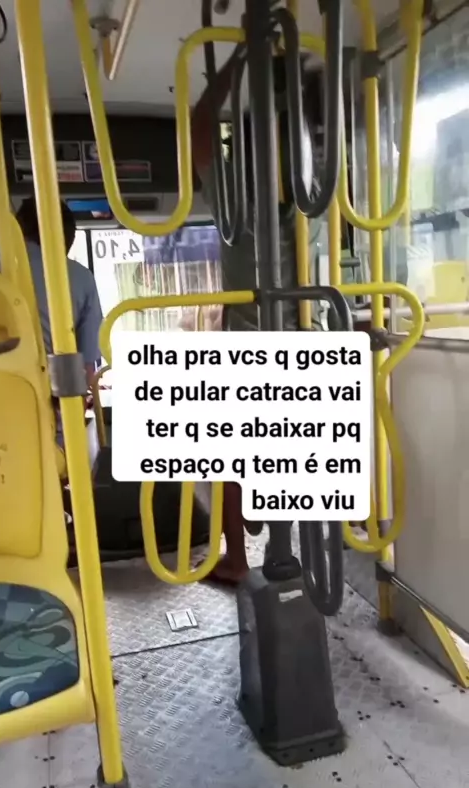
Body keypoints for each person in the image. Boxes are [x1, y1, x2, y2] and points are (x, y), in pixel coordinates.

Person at [191, 51, 328, 584]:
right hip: (306, 347)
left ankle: (238, 555)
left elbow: (200, 128)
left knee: (225, 456)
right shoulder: (316, 197)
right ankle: (290, 546)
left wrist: (234, 63)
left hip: (250, 348)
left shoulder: (238, 194)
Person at [0, 196, 103, 443]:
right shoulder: (80, 278)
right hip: (40, 422)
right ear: (65, 242)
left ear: (15, 229)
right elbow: (84, 369)